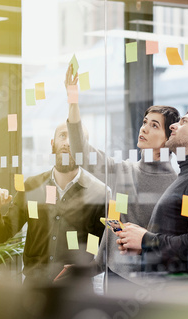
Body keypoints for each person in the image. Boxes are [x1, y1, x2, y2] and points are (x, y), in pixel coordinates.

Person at [64, 65, 181, 292]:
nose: (144, 128)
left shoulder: (175, 185)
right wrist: (72, 98)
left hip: (145, 288)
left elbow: (171, 247)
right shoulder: (123, 170)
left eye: (154, 125)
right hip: (113, 277)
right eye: (145, 122)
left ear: (168, 138)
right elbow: (80, 149)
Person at [116, 103, 188, 299]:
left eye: (183, 122)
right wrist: (143, 248)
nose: (173, 126)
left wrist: (145, 239)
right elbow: (186, 240)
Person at [0, 122, 106, 285]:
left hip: (77, 292)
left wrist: (84, 270)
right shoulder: (31, 186)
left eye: (75, 138)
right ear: (53, 145)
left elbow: (107, 251)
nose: (67, 142)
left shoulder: (99, 193)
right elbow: (1, 235)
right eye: (63, 136)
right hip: (34, 291)